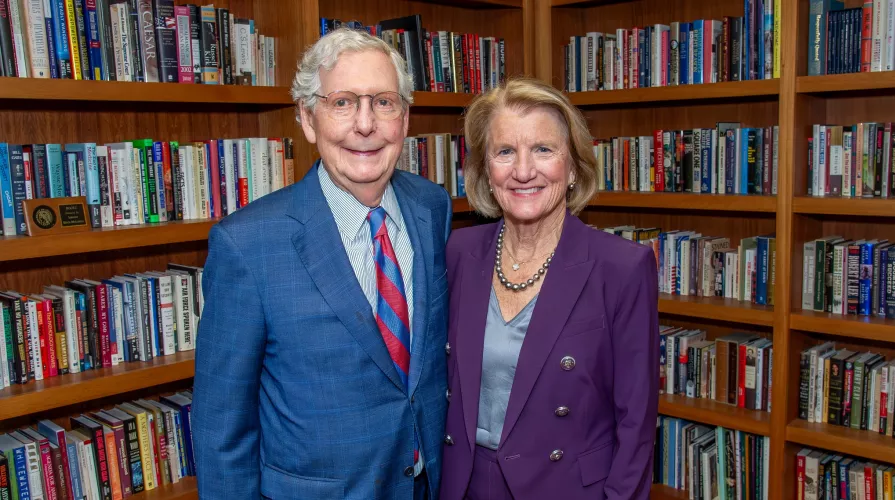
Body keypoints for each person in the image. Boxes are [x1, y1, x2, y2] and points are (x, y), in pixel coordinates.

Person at [191, 27, 452, 499]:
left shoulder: (433, 208)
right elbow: (221, 428)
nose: (366, 125)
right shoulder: (247, 245)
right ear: (308, 119)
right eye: (343, 103)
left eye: (384, 102)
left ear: (406, 119)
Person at [440, 77, 660, 500]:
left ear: (574, 165)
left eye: (543, 149)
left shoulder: (622, 268)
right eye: (505, 152)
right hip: (463, 483)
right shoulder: (457, 253)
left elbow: (636, 426)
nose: (523, 171)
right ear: (486, 170)